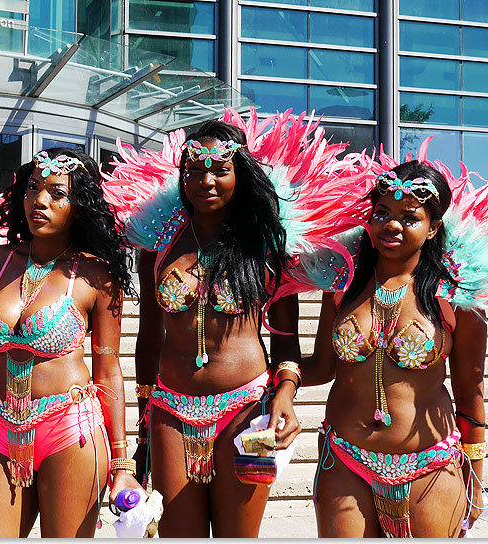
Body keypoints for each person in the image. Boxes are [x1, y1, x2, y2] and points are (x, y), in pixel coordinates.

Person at [306, 156, 488, 537]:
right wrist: (275, 377)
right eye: (381, 213)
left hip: (431, 466)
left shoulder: (457, 297)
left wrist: (476, 476)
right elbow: (322, 367)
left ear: (433, 229)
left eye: (409, 218)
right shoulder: (343, 286)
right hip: (345, 460)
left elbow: (469, 391)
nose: (391, 225)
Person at [0, 149, 143, 537]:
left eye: (57, 193)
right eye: (33, 188)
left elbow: (108, 367)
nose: (40, 200)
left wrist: (122, 463)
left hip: (72, 431)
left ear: (80, 205)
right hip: (4, 428)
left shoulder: (95, 275)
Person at [127, 120, 303, 537]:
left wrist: (286, 395)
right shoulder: (159, 244)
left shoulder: (268, 246)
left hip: (249, 414)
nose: (205, 180)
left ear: (240, 173)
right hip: (170, 411)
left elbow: (287, 342)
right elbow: (148, 340)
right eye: (193, 170)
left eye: (219, 169)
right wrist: (143, 423)